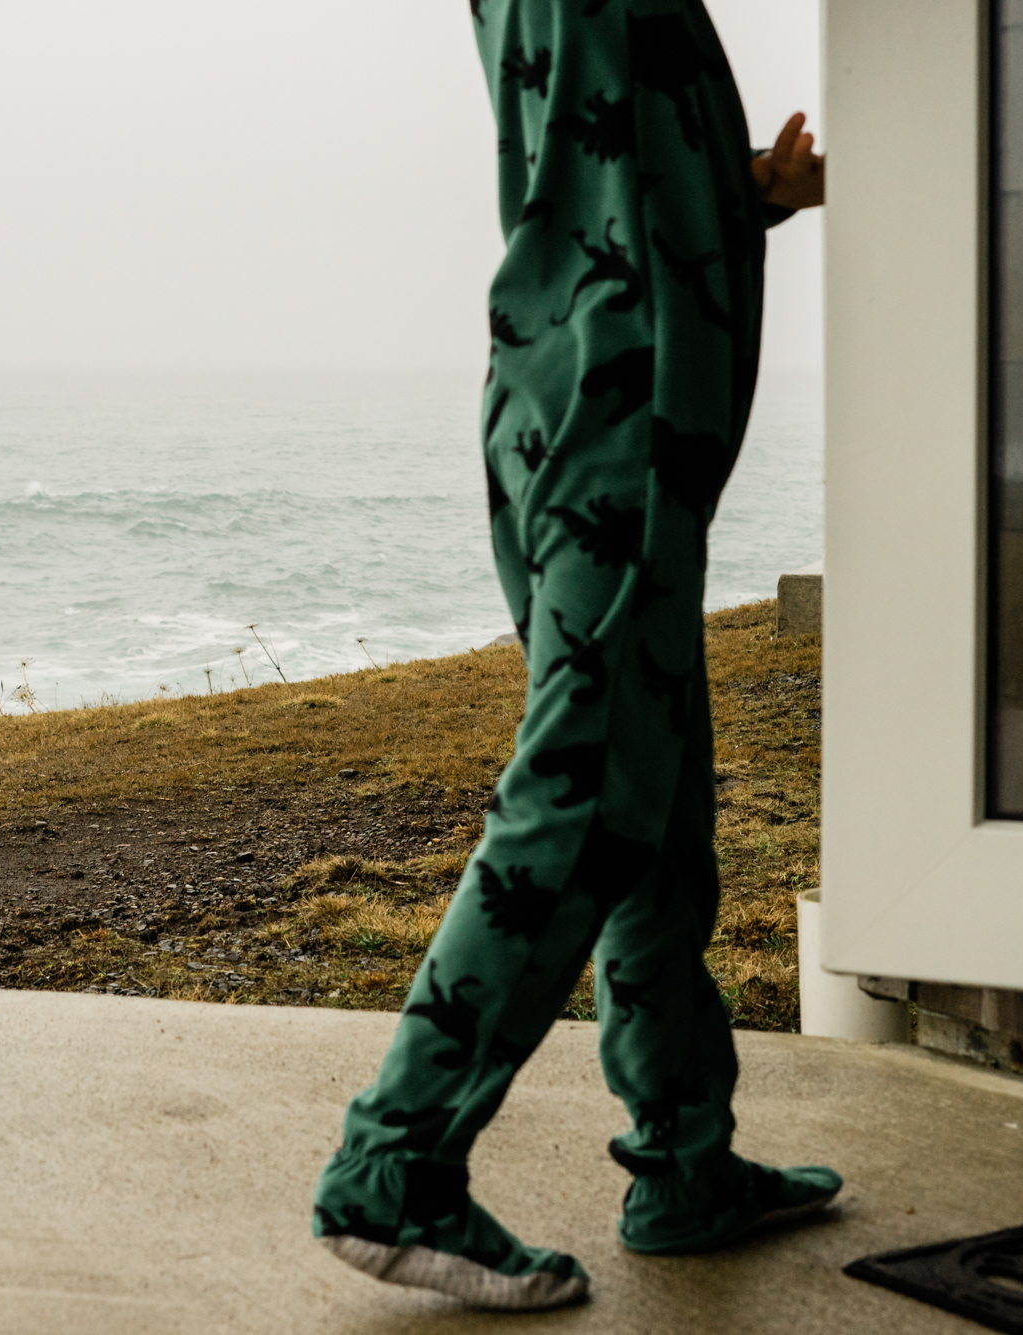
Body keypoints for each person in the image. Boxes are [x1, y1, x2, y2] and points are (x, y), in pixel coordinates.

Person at [311, 0, 832, 1311]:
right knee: (593, 790)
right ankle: (395, 1162)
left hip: (583, 392)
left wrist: (747, 195)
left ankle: (684, 1161)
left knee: (652, 809)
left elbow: (610, 165)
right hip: (615, 408)